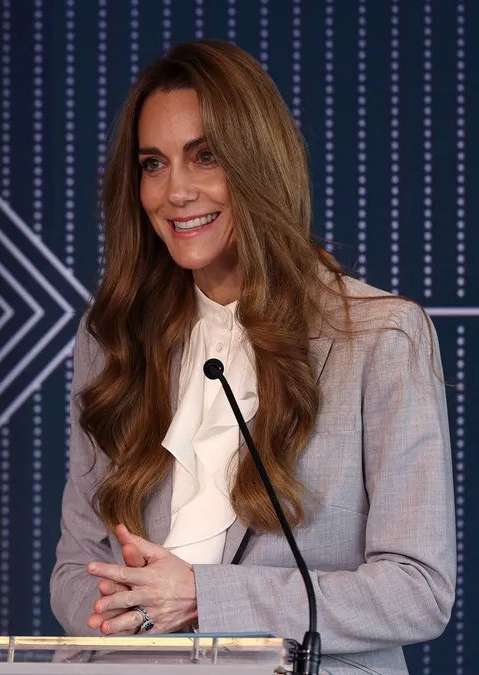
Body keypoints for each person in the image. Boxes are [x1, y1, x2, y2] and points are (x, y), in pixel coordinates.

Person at [49, 41, 455, 675]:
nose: (176, 191)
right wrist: (131, 619)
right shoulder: (112, 340)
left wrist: (204, 599)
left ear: (259, 163)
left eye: (205, 156)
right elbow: (75, 570)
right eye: (153, 164)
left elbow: (417, 591)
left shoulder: (382, 336)